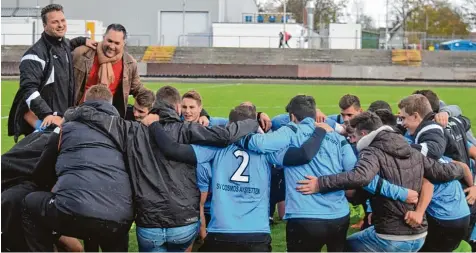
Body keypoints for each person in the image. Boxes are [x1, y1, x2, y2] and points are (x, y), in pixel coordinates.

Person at [241, 96, 418, 252]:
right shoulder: (337, 139)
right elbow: (361, 176)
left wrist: (238, 133)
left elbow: (261, 145)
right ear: (314, 114)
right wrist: (401, 193)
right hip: (338, 218)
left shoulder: (291, 131)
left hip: (305, 217)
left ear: (293, 117)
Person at [146, 103, 328, 252]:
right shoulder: (267, 150)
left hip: (222, 232)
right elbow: (303, 155)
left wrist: (154, 125)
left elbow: (172, 149)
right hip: (257, 233)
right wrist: (319, 130)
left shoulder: (216, 148)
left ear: (230, 126)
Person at [299, 111, 469, 252]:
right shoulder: (411, 148)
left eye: (354, 136)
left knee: (347, 246)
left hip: (391, 236)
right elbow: (441, 171)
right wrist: (462, 169)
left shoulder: (371, 151)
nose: (353, 140)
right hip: (419, 235)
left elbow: (360, 176)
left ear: (364, 134)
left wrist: (320, 183)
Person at [21, 85, 134, 252]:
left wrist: (58, 186)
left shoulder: (64, 128)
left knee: (29, 204)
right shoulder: (126, 131)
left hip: (74, 209)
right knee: (112, 222)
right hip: (118, 215)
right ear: (111, 105)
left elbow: (41, 173)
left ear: (84, 102)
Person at [8, 3, 97, 142]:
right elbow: (28, 89)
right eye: (55, 22)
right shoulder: (34, 55)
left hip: (62, 121)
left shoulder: (64, 44)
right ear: (45, 26)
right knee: (40, 162)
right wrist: (46, 114)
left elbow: (70, 42)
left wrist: (83, 40)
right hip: (44, 123)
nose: (61, 25)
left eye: (62, 20)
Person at [398, 94, 472, 252]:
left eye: (404, 118)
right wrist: (472, 186)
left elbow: (427, 182)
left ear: (416, 115)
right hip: (462, 212)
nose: (402, 122)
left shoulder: (428, 140)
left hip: (444, 219)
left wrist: (418, 212)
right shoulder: (446, 132)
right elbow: (464, 167)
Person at [72, 23, 144, 117]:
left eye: (117, 43)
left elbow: (138, 90)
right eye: (109, 41)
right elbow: (62, 48)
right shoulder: (82, 53)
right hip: (80, 113)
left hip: (108, 116)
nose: (112, 46)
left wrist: (156, 108)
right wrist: (80, 40)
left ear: (123, 43)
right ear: (103, 37)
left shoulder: (130, 63)